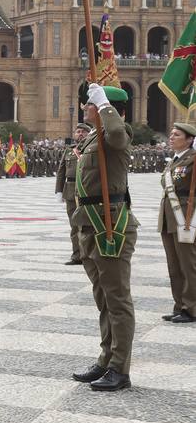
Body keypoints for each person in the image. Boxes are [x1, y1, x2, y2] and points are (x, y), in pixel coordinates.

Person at [70, 83, 135, 392]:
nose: (86, 106)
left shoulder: (117, 135)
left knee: (117, 299)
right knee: (103, 299)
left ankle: (120, 369)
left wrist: (105, 105)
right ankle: (106, 358)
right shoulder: (95, 137)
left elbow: (119, 135)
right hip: (90, 224)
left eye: (90, 103)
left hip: (112, 225)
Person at [158, 122, 196, 324]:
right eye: (171, 134)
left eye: (177, 135)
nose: (171, 137)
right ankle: (179, 304)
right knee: (174, 266)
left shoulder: (193, 159)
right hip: (169, 217)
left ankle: (191, 308)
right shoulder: (175, 160)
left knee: (188, 265)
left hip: (186, 219)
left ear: (190, 139)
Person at [56, 123, 89, 266]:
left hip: (87, 191)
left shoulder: (91, 149)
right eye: (78, 132)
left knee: (88, 225)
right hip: (70, 191)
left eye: (83, 132)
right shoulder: (69, 151)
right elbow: (61, 171)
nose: (80, 134)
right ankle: (77, 256)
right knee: (74, 225)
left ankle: (89, 255)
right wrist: (58, 191)